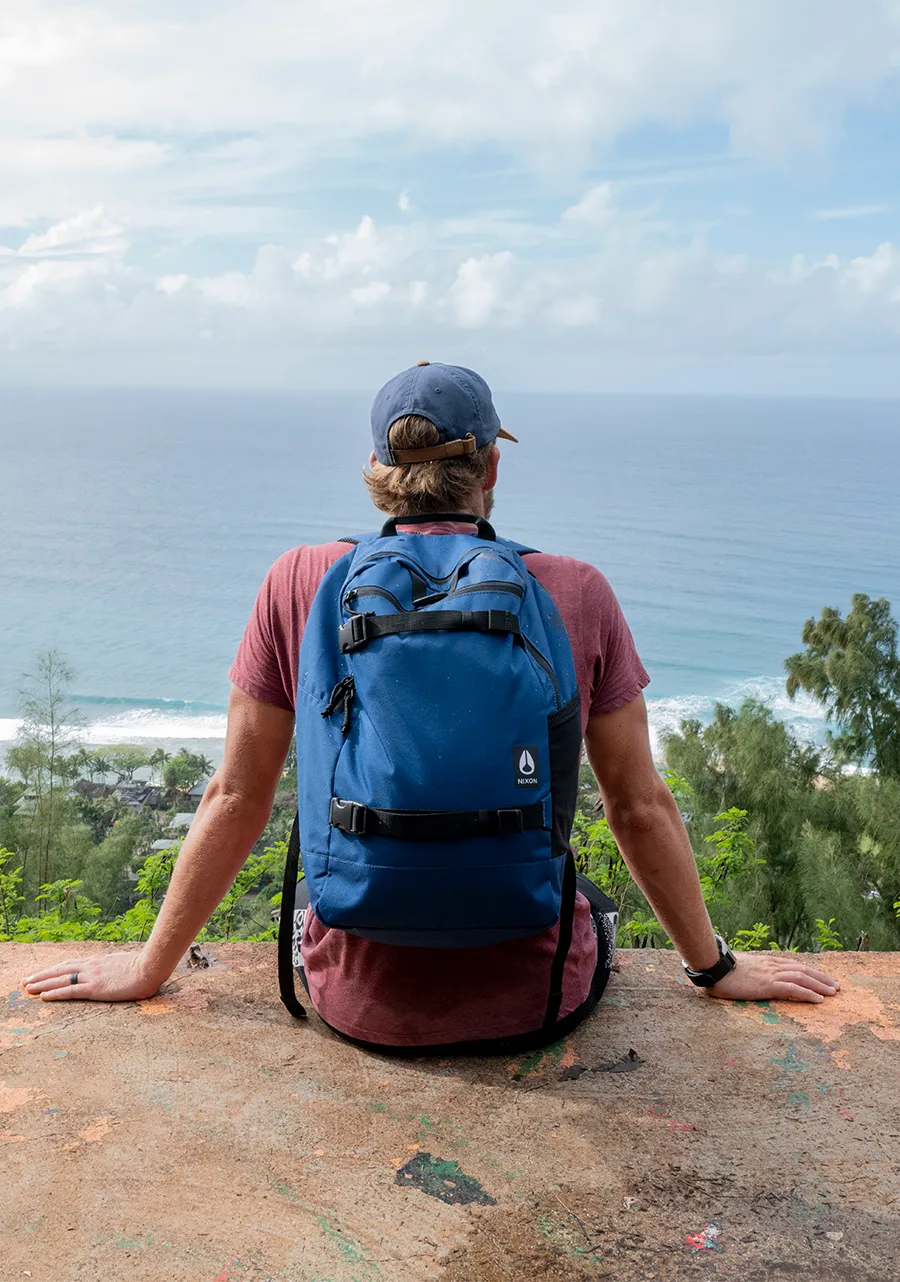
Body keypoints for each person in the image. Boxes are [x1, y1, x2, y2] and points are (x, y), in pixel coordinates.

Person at [22, 362, 839, 1047]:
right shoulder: (576, 590)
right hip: (536, 1002)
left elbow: (237, 795)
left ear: (377, 473)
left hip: (355, 1006)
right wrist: (716, 968)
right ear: (489, 468)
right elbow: (639, 805)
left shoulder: (299, 581)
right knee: (588, 900)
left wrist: (147, 969)